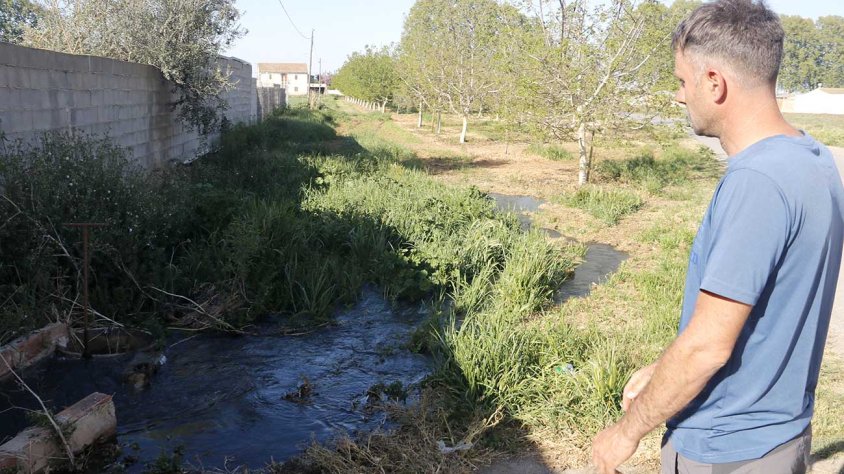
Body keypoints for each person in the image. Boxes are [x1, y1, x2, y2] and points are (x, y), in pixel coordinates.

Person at [590, 1, 844, 473]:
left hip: (728, 449)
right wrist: (663, 374)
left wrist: (623, 436)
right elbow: (760, 317)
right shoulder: (812, 158)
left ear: (714, 82)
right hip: (778, 436)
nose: (680, 97)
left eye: (682, 82)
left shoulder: (757, 183)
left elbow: (709, 345)